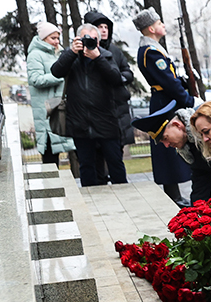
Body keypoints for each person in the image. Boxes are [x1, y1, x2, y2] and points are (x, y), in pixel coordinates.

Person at [50, 23, 127, 187]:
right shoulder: (71, 56)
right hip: (80, 121)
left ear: (98, 42)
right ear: (77, 39)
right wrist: (72, 52)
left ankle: (125, 196)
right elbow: (56, 71)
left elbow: (116, 78)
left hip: (106, 120)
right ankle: (90, 200)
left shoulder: (106, 56)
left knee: (115, 162)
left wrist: (97, 57)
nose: (88, 43)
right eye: (85, 39)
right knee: (86, 165)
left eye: (93, 40)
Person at [133, 8, 193, 206]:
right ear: (151, 28)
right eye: (159, 23)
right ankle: (173, 194)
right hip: (165, 101)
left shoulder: (154, 49)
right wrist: (188, 99)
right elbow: (168, 81)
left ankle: (175, 193)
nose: (163, 26)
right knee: (168, 144)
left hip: (166, 99)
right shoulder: (151, 52)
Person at [27, 22, 76, 167]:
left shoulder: (61, 53)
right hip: (47, 110)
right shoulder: (35, 55)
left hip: (63, 107)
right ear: (43, 38)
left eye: (57, 38)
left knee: (77, 148)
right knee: (50, 154)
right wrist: (60, 76)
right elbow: (35, 79)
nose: (56, 41)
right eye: (52, 38)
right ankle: (50, 188)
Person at [83, 10, 134, 148]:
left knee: (117, 156)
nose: (104, 30)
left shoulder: (115, 51)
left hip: (118, 106)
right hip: (98, 109)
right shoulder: (84, 52)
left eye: (106, 27)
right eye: (100, 27)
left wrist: (120, 78)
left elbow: (127, 71)